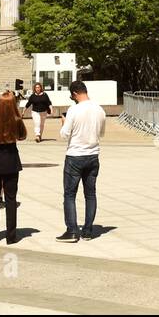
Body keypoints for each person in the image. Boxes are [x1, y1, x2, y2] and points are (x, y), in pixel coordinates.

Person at [58, 80, 106, 243]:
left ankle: (72, 230)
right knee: (90, 194)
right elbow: (102, 133)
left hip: (75, 155)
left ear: (74, 94)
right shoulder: (99, 109)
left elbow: (65, 134)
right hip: (93, 155)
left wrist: (63, 123)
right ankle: (87, 230)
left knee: (70, 194)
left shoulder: (74, 110)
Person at [0, 93, 27, 244]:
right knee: (10, 199)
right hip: (10, 162)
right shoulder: (17, 121)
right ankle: (11, 235)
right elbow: (22, 136)